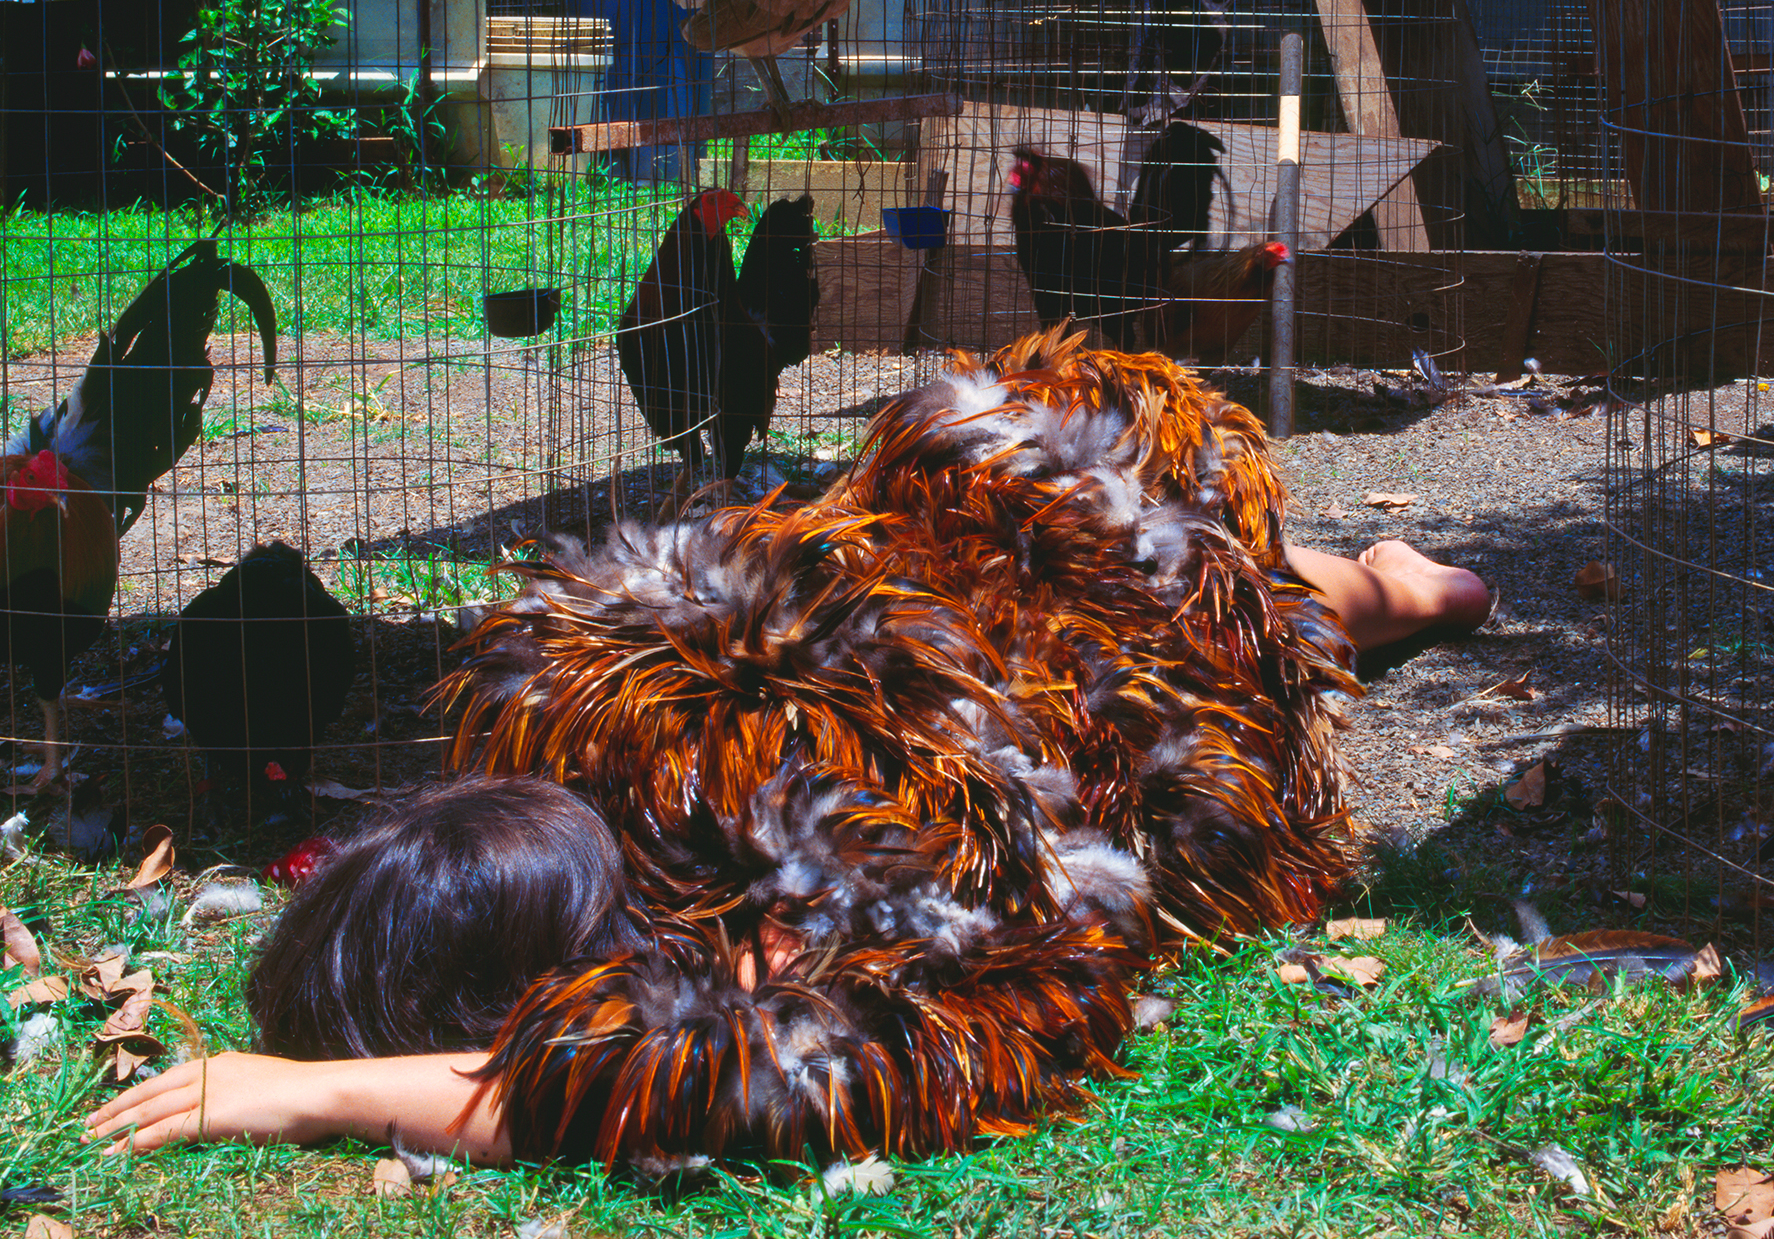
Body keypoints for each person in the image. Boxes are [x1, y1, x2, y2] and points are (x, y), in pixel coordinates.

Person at [93, 338, 1490, 1169]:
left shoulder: (851, 838)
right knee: (1219, 592)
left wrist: (325, 1093)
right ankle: (1368, 580)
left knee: (1291, 608)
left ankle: (1397, 583)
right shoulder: (570, 743)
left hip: (1068, 553)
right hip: (1008, 565)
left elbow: (792, 1062)